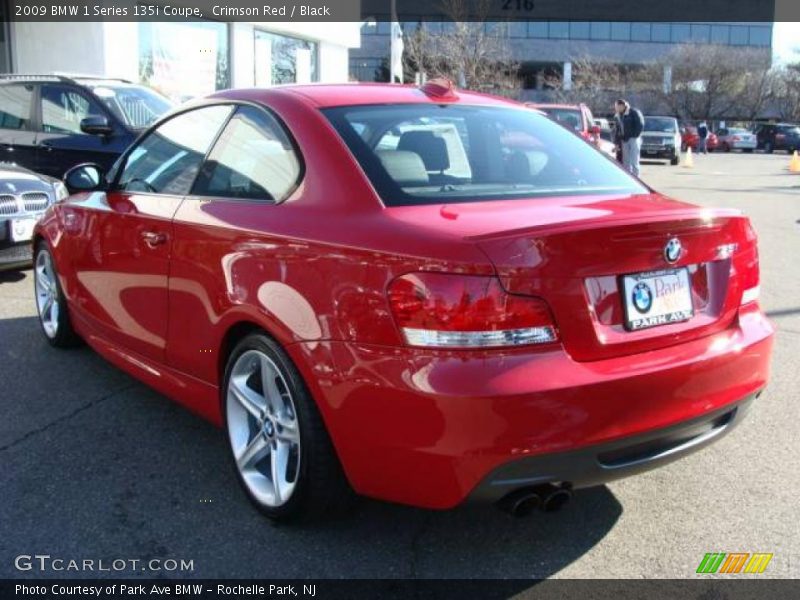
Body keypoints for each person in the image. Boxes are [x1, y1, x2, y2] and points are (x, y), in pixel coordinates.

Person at [614, 99, 644, 176]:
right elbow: (617, 130)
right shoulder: (618, 116)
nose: (616, 108)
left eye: (617, 106)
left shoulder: (634, 112)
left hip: (634, 139)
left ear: (622, 105)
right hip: (624, 140)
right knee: (626, 162)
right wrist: (617, 142)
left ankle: (637, 179)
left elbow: (640, 125)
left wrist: (634, 135)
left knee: (634, 161)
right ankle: (628, 178)